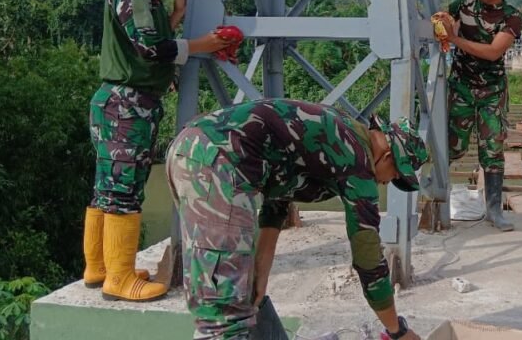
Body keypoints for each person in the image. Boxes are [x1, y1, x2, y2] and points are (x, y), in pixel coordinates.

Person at [167, 99, 426, 340]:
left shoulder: (344, 130)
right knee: (223, 310)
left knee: (240, 293)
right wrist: (397, 331)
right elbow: (368, 257)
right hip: (219, 162)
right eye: (393, 176)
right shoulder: (358, 163)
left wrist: (262, 267)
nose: (385, 182)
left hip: (198, 150)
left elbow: (279, 187)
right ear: (389, 156)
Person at [85, 0, 231, 302]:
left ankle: (100, 268)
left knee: (108, 186)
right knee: (123, 190)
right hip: (127, 104)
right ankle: (119, 279)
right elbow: (152, 49)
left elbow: (148, 38)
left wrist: (176, 15)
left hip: (118, 101)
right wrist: (203, 43)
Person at [437, 0, 522, 232]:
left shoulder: (512, 16)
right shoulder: (465, 4)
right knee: (452, 145)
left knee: (493, 148)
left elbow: (493, 52)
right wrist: (442, 23)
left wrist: (455, 39)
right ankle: (431, 196)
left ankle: (494, 211)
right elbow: (444, 19)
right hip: (461, 85)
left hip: (492, 91)